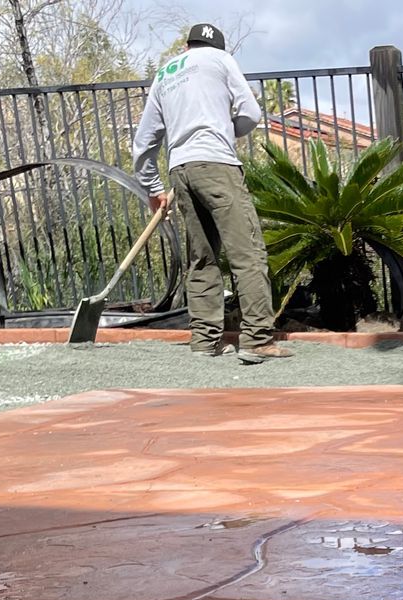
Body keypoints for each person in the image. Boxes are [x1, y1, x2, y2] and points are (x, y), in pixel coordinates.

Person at [132, 23, 288, 362]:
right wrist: (227, 131)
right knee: (248, 254)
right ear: (217, 46)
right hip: (217, 164)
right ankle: (257, 339)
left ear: (187, 46)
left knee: (202, 258)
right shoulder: (220, 59)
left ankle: (204, 341)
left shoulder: (165, 74)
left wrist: (154, 189)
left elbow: (143, 143)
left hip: (180, 171)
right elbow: (251, 113)